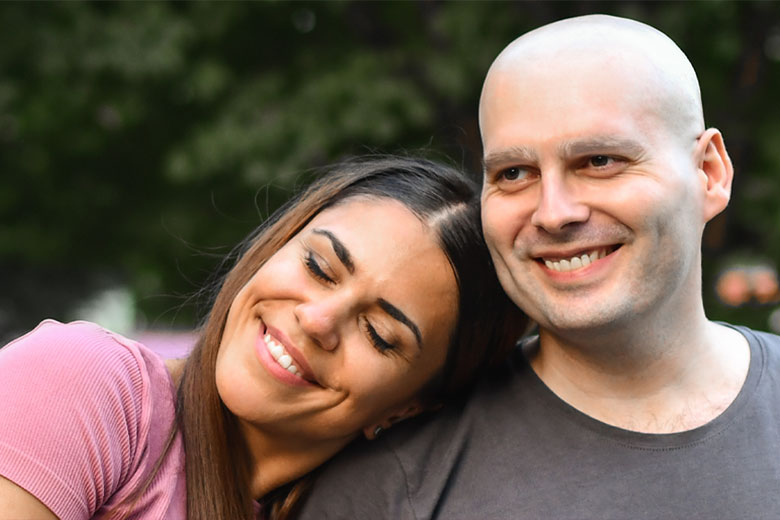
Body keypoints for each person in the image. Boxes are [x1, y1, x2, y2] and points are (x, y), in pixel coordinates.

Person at [297, 15, 780, 519]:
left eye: (599, 161)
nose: (553, 212)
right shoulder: (387, 488)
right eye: (514, 173)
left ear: (709, 173)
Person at [0, 156, 527, 519]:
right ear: (279, 242)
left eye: (378, 334)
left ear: (407, 408)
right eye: (319, 266)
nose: (318, 321)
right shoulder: (88, 384)